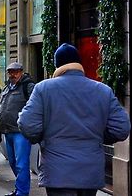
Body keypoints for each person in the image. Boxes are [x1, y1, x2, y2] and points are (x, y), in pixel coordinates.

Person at [18, 43, 131, 196]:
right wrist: (98, 136)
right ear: (79, 63)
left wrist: (43, 138)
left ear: (57, 65)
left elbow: (27, 125)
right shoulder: (103, 90)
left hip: (57, 170)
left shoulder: (43, 89)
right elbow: (122, 128)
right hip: (90, 170)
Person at [0, 62, 34, 196]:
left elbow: (35, 106)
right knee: (12, 162)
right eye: (10, 72)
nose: (13, 74)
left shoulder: (28, 86)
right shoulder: (6, 88)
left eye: (16, 71)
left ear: (21, 72)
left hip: (20, 132)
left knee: (21, 164)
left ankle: (22, 192)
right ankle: (20, 188)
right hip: (7, 130)